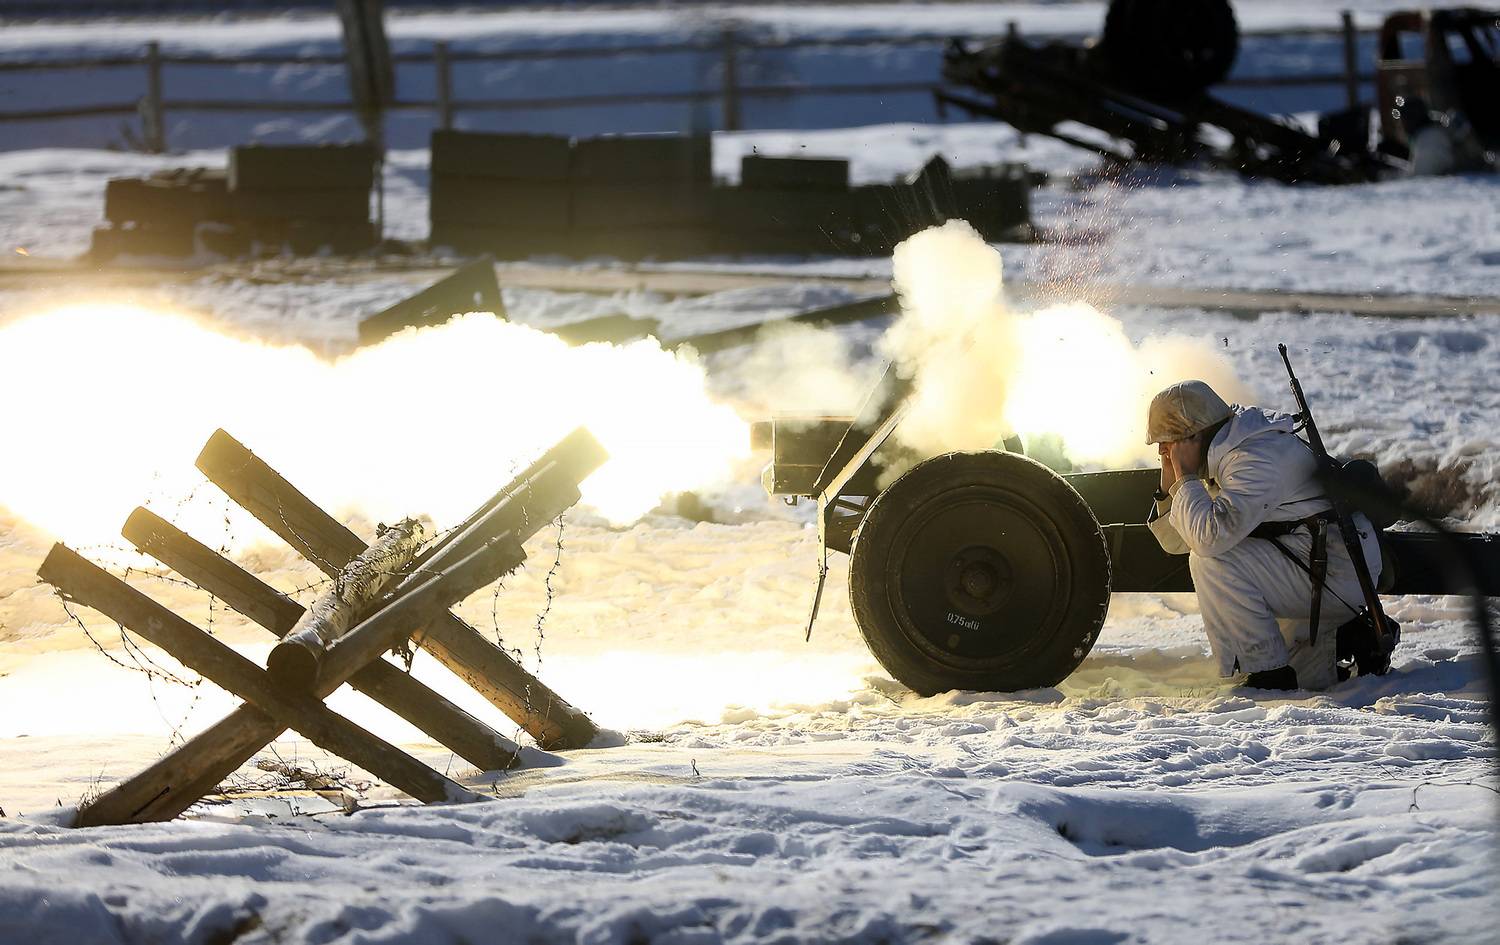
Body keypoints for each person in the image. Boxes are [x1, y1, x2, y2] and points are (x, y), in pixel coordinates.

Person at [1145, 380, 1384, 691]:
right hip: (1309, 559)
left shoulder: (1254, 459)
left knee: (1212, 561)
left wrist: (1186, 479)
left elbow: (1207, 540)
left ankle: (1267, 673)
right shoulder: (1224, 450)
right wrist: (1172, 483)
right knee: (1310, 678)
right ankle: (1350, 636)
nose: (1161, 451)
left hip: (1338, 571)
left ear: (1193, 435)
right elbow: (1177, 541)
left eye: (1166, 442)